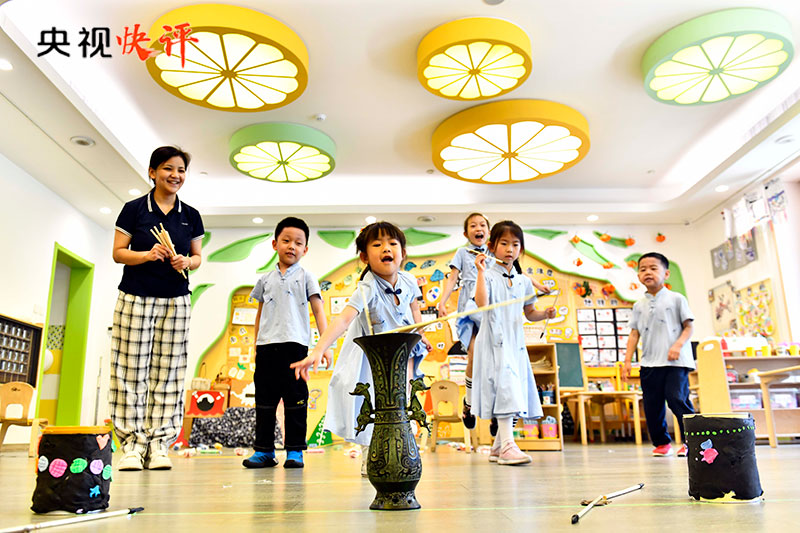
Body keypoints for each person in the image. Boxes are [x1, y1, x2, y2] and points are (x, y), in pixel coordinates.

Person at [291, 221, 431, 475]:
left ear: (403, 252)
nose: (386, 248)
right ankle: (371, 453)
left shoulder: (410, 281)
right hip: (371, 355)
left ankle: (399, 450)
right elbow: (343, 319)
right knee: (372, 402)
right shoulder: (367, 287)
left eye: (392, 243)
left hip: (399, 353)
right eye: (377, 244)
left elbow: (414, 310)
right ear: (365, 257)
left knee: (401, 399)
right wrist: (318, 350)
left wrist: (420, 334)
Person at [110, 146, 204, 471]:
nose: (175, 175)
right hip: (135, 296)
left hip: (176, 299)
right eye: (168, 168)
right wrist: (147, 255)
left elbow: (197, 257)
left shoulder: (190, 215)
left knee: (170, 372)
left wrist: (186, 261)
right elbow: (118, 253)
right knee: (130, 371)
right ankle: (132, 446)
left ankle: (160, 444)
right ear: (152, 172)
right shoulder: (134, 209)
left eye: (181, 170)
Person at [242, 217, 331, 469]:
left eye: (298, 243)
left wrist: (325, 346)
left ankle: (294, 451)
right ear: (275, 244)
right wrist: (256, 346)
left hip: (296, 349)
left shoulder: (307, 277)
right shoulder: (264, 280)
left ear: (305, 249)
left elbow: (319, 311)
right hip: (266, 348)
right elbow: (260, 314)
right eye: (286, 240)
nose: (292, 246)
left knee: (296, 402)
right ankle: (264, 451)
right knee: (264, 403)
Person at [472, 221, 555, 465]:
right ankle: (508, 445)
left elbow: (530, 313)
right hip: (493, 340)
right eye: (504, 243)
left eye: (515, 244)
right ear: (491, 247)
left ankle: (499, 445)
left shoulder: (523, 282)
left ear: (521, 249)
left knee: (513, 387)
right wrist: (479, 272)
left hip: (515, 341)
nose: (510, 249)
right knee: (505, 386)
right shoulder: (487, 276)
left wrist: (546, 314)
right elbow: (482, 304)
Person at [623, 252, 694, 457]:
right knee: (652, 405)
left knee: (677, 399)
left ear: (666, 273)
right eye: (643, 269)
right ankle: (662, 443)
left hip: (675, 362)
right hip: (649, 363)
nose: (648, 272)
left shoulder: (677, 299)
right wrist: (627, 361)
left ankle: (692, 442)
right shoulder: (638, 305)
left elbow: (689, 327)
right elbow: (634, 334)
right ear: (638, 275)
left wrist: (677, 345)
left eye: (653, 268)